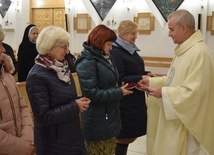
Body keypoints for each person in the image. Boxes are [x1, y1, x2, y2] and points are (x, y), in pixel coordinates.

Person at [139, 9, 214, 155]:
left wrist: (163, 92)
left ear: (184, 27)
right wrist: (153, 82)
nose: (169, 34)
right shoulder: (184, 50)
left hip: (190, 127)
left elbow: (195, 93)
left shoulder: (199, 53)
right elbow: (173, 80)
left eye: (171, 29)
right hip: (179, 119)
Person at [26, 25, 90, 155]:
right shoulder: (36, 76)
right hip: (54, 144)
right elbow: (43, 117)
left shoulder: (63, 69)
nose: (67, 51)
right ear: (50, 48)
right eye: (64, 47)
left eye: (68, 46)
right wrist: (74, 106)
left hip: (71, 135)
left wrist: (77, 101)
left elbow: (63, 99)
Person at [75, 24, 133, 155]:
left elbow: (109, 82)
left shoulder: (104, 57)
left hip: (108, 114)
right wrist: (119, 92)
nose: (111, 48)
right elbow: (91, 93)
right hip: (96, 118)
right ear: (99, 42)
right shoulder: (87, 61)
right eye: (109, 44)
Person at [110, 20, 155, 155]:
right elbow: (120, 79)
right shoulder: (116, 52)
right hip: (125, 101)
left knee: (127, 138)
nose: (136, 36)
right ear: (123, 34)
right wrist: (141, 78)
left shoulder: (129, 48)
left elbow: (133, 71)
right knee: (122, 139)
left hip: (134, 99)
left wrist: (146, 74)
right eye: (133, 33)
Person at [0, 27, 34, 155]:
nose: (3, 49)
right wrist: (21, 147)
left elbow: (22, 106)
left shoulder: (6, 74)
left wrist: (27, 137)